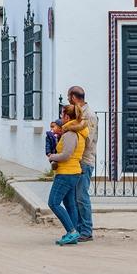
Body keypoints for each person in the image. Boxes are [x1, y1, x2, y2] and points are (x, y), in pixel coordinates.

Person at [47, 105, 88, 246]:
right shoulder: (79, 131)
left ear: (67, 117)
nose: (60, 118)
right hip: (72, 172)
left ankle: (72, 231)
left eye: (62, 114)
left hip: (66, 173)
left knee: (53, 202)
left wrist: (52, 156)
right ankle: (73, 232)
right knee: (69, 203)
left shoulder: (70, 134)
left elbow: (66, 155)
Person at [65, 86, 98, 242]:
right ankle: (78, 228)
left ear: (73, 97)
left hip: (84, 160)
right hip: (76, 161)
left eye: (68, 97)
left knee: (81, 196)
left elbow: (87, 140)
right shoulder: (79, 114)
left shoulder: (89, 115)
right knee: (75, 196)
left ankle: (86, 230)